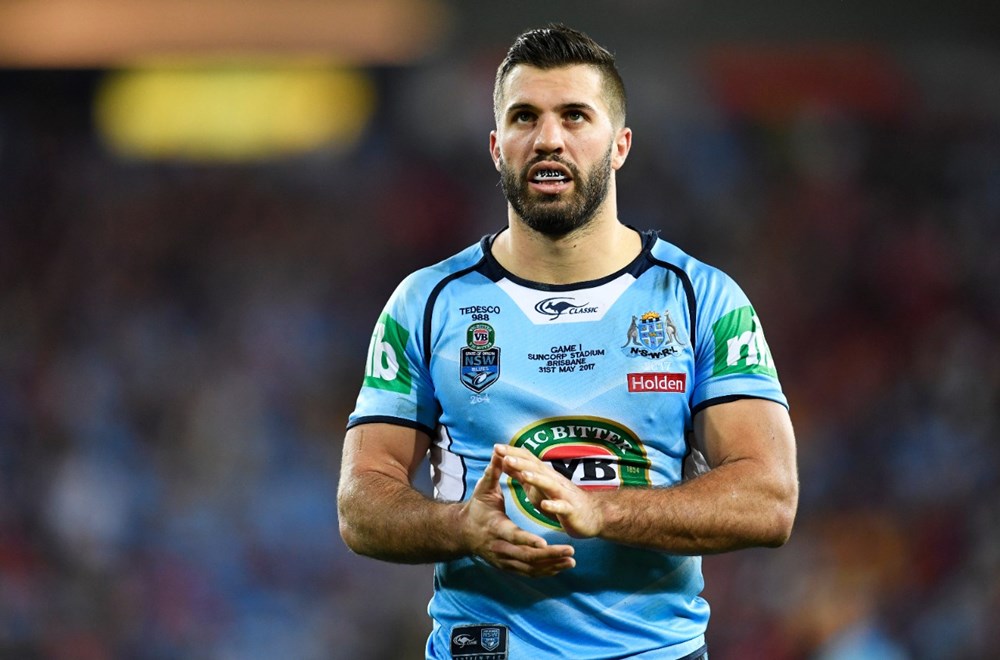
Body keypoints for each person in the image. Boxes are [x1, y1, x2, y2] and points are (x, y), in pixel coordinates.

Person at [338, 23, 798, 660]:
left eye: (575, 116)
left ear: (620, 145)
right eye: (524, 117)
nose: (548, 139)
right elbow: (360, 503)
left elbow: (771, 499)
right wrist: (461, 526)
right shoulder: (426, 303)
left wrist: (604, 512)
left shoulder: (702, 300)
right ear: (497, 146)